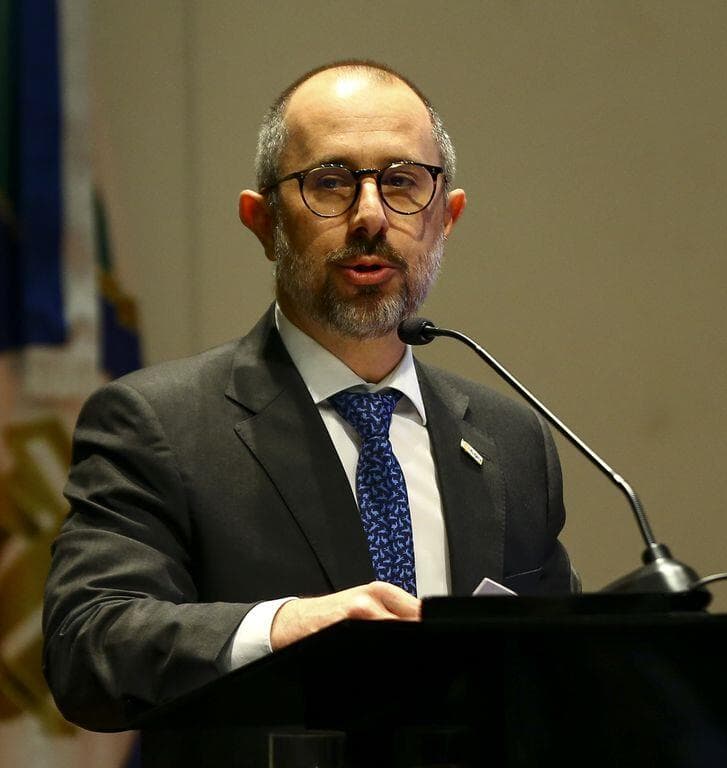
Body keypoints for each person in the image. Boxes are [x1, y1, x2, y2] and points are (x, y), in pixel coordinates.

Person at [43, 60, 574, 732]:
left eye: (402, 182)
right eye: (331, 182)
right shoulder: (159, 425)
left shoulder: (511, 442)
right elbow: (88, 645)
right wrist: (281, 627)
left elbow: (561, 679)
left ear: (447, 217)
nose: (371, 215)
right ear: (262, 221)